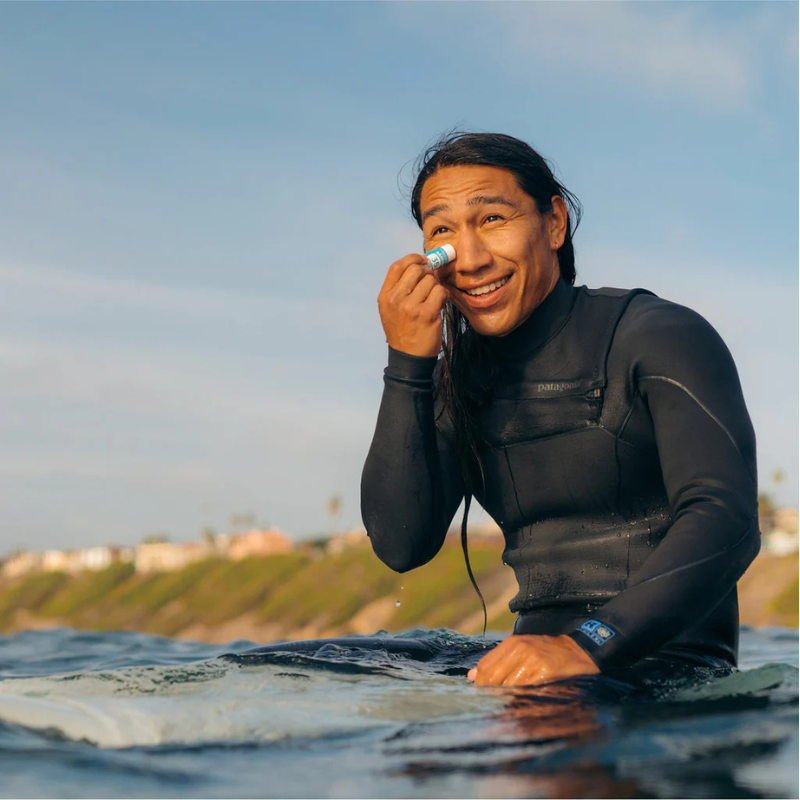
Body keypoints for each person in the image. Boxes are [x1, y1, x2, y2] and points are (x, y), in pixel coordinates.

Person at [360, 132, 760, 687]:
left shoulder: (656, 335)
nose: (470, 259)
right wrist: (407, 364)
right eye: (443, 230)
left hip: (662, 669)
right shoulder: (464, 380)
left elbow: (728, 518)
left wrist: (589, 646)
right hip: (530, 667)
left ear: (553, 223)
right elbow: (402, 545)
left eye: (493, 219)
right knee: (287, 672)